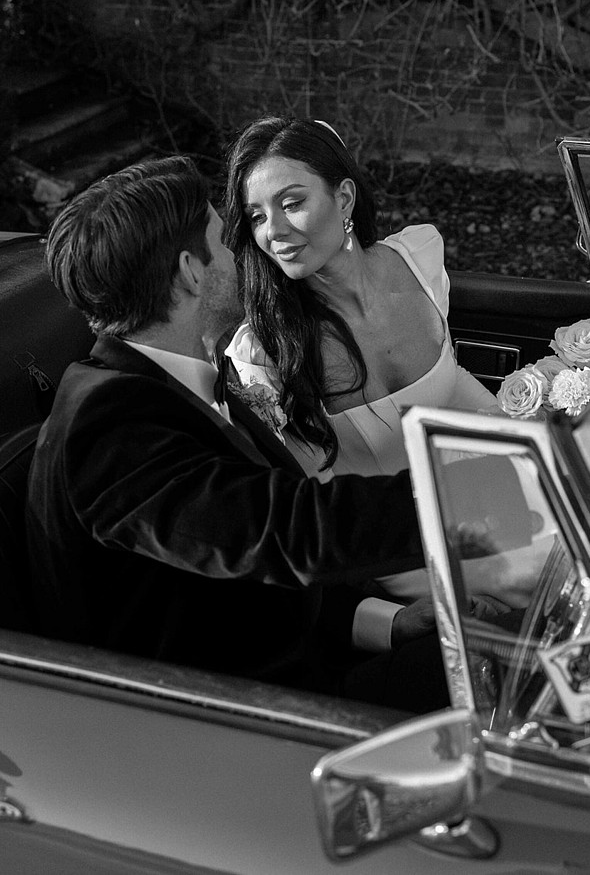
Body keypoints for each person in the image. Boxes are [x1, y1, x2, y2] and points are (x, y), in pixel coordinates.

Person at [26, 153, 460, 712]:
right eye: (222, 240)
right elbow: (286, 530)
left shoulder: (182, 379)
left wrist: (387, 624)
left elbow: (249, 563)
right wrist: (492, 496)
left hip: (304, 660)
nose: (239, 254)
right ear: (191, 271)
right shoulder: (106, 425)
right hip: (230, 714)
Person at [223, 115, 547, 606]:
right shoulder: (265, 351)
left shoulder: (417, 258)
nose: (275, 232)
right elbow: (318, 510)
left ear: (344, 198)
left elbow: (451, 381)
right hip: (395, 549)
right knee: (545, 572)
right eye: (257, 217)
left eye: (291, 204)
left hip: (480, 494)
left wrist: (531, 442)